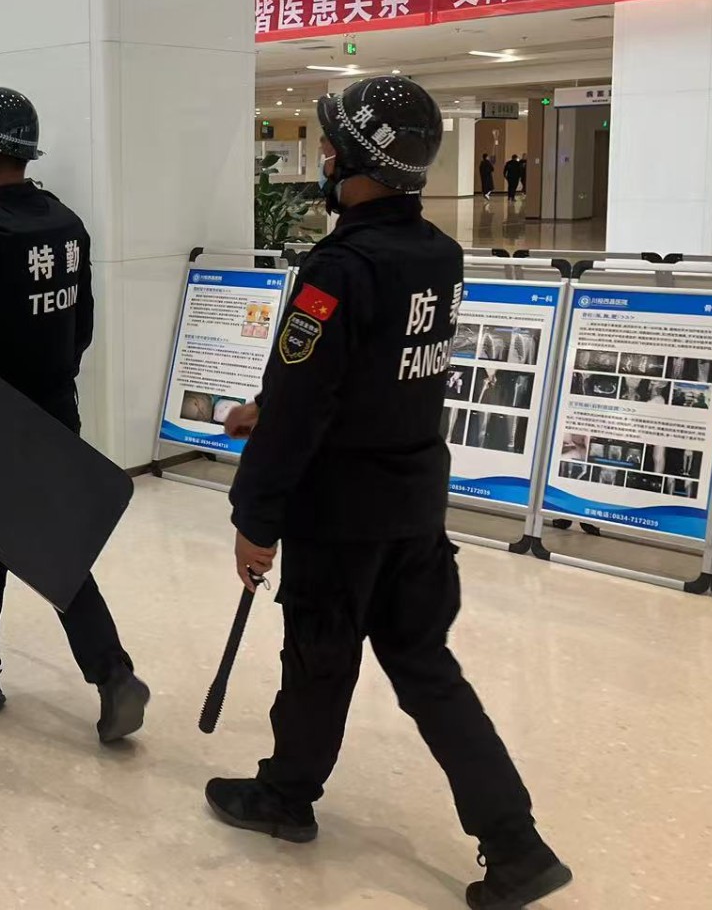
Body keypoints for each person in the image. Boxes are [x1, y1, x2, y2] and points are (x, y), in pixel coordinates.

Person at [206, 76, 570, 910]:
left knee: (318, 659)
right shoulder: (438, 254)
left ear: (356, 164)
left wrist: (255, 518)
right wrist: (269, 403)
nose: (324, 159)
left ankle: (287, 795)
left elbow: (304, 407)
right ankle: (517, 843)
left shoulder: (339, 267)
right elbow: (373, 371)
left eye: (331, 147)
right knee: (427, 668)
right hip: (413, 505)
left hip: (340, 513)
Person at [0, 87, 149, 744]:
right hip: (53, 414)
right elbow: (82, 328)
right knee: (47, 543)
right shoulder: (65, 226)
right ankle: (94, 671)